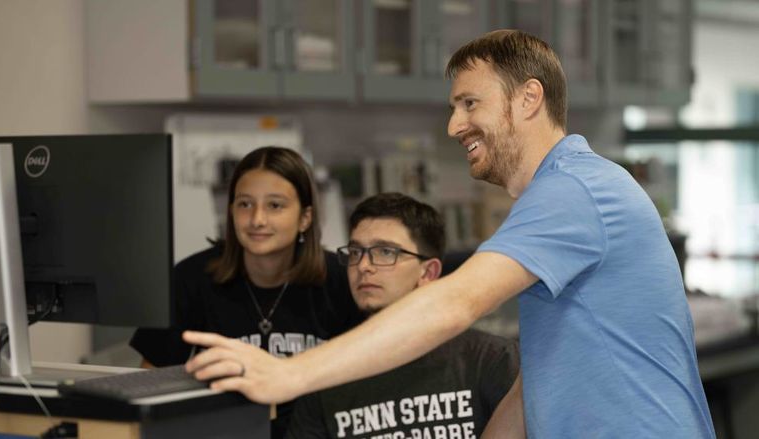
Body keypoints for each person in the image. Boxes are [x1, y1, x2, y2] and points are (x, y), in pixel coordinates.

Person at [183, 30, 716, 438]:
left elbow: (454, 303)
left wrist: (287, 376)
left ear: (528, 98)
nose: (454, 125)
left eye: (469, 104)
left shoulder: (572, 189)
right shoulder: (566, 191)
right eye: (453, 107)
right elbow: (540, 383)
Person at [130, 146, 362, 438]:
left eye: (275, 205)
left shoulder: (340, 280)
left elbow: (368, 388)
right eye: (244, 204)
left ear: (305, 217)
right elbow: (147, 387)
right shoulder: (191, 279)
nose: (257, 220)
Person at [285, 192, 519, 439]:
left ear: (428, 272)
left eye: (386, 252)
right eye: (355, 252)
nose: (364, 266)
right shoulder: (324, 376)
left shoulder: (491, 360)